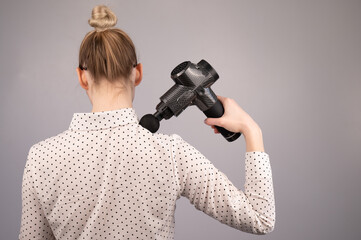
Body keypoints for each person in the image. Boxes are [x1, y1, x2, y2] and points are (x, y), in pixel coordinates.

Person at [19, 5, 275, 240]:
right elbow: (260, 218)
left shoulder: (41, 157)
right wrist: (252, 129)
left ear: (82, 78)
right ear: (138, 73)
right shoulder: (173, 154)